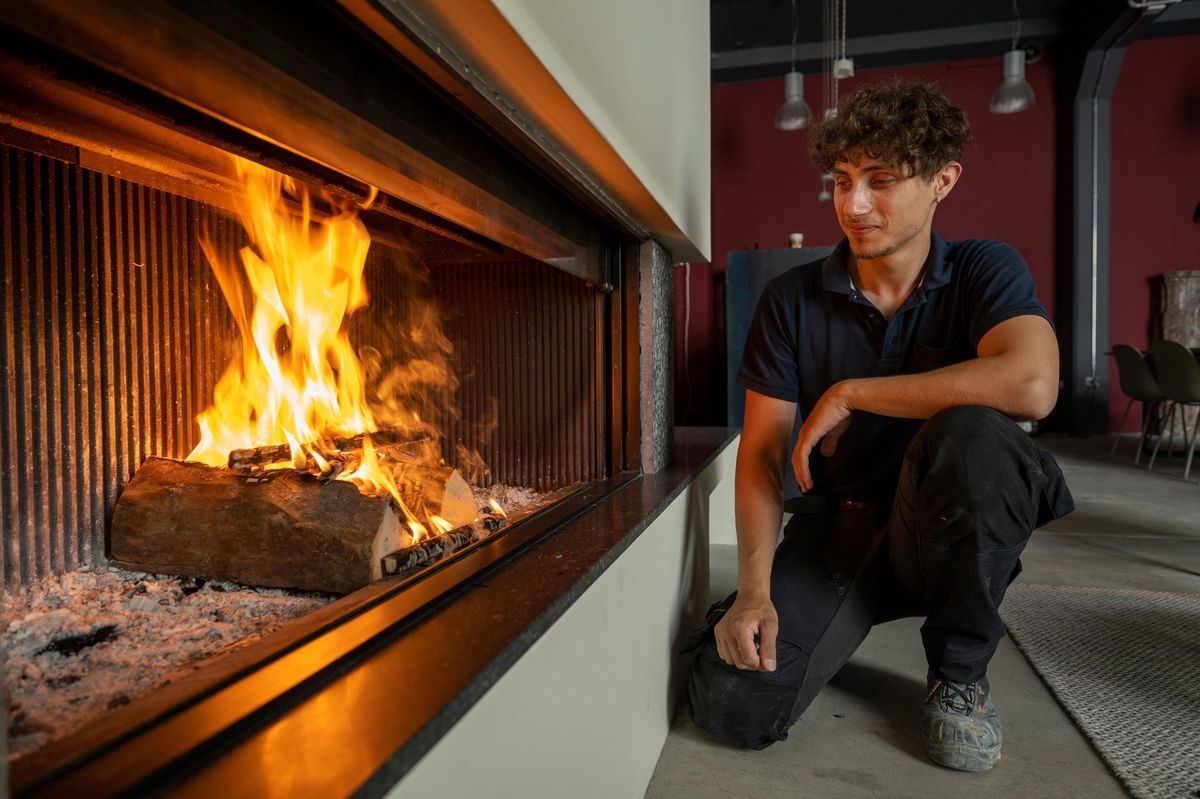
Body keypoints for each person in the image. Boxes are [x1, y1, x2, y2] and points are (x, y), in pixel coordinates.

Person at [685, 80, 1074, 773]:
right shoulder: (789, 299)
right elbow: (764, 454)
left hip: (945, 531)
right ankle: (812, 620)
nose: (853, 204)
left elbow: (1033, 383)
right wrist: (752, 588)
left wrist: (855, 392)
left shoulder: (985, 268)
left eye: (881, 181)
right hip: (838, 526)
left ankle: (958, 670)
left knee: (979, 436)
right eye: (840, 181)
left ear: (942, 181)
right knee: (731, 706)